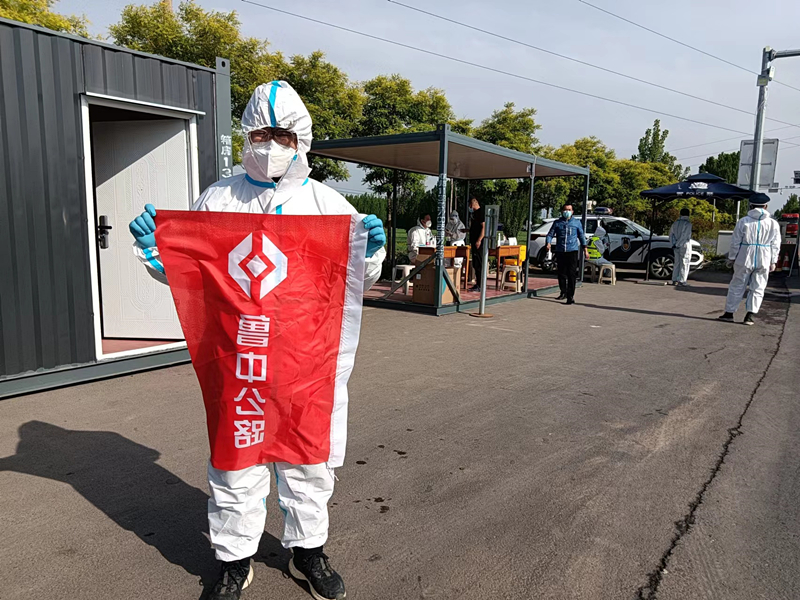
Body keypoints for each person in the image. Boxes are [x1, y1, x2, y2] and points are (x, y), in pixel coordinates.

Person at [128, 81, 386, 600]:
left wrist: (370, 253)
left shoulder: (328, 203)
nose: (272, 145)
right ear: (247, 135)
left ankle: (308, 552)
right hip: (240, 356)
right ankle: (234, 559)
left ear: (301, 139)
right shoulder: (218, 198)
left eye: (283, 135)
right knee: (236, 461)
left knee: (307, 461)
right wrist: (159, 251)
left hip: (305, 362)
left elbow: (352, 281)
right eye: (262, 134)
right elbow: (194, 273)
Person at [718, 193, 780, 326]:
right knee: (758, 286)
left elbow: (735, 242)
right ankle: (750, 315)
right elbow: (776, 244)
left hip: (745, 255)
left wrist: (732, 257)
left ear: (751, 206)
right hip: (764, 255)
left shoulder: (743, 221)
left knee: (737, 285)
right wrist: (773, 261)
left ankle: (729, 313)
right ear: (766, 206)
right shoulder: (773, 223)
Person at [546, 204, 590, 304]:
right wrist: (548, 242)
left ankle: (570, 296)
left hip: (572, 251)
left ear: (572, 211)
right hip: (561, 250)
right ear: (562, 211)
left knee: (571, 274)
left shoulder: (576, 223)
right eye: (566, 210)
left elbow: (581, 236)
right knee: (561, 273)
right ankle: (563, 292)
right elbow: (550, 234)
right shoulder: (557, 223)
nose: (567, 211)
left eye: (569, 210)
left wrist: (585, 250)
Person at [669, 208, 693, 287]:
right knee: (685, 262)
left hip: (675, 246)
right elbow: (685, 236)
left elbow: (671, 234)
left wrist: (673, 244)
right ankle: (682, 280)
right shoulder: (688, 224)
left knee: (677, 262)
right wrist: (679, 244)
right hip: (684, 245)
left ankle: (674, 279)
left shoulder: (675, 223)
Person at [468, 198, 485, 292]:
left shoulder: (480, 213)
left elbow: (483, 227)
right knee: (475, 263)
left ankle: (480, 284)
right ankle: (478, 283)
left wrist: (479, 240)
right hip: (474, 241)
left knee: (479, 263)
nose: (470, 208)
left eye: (470, 206)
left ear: (473, 204)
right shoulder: (474, 214)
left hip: (478, 243)